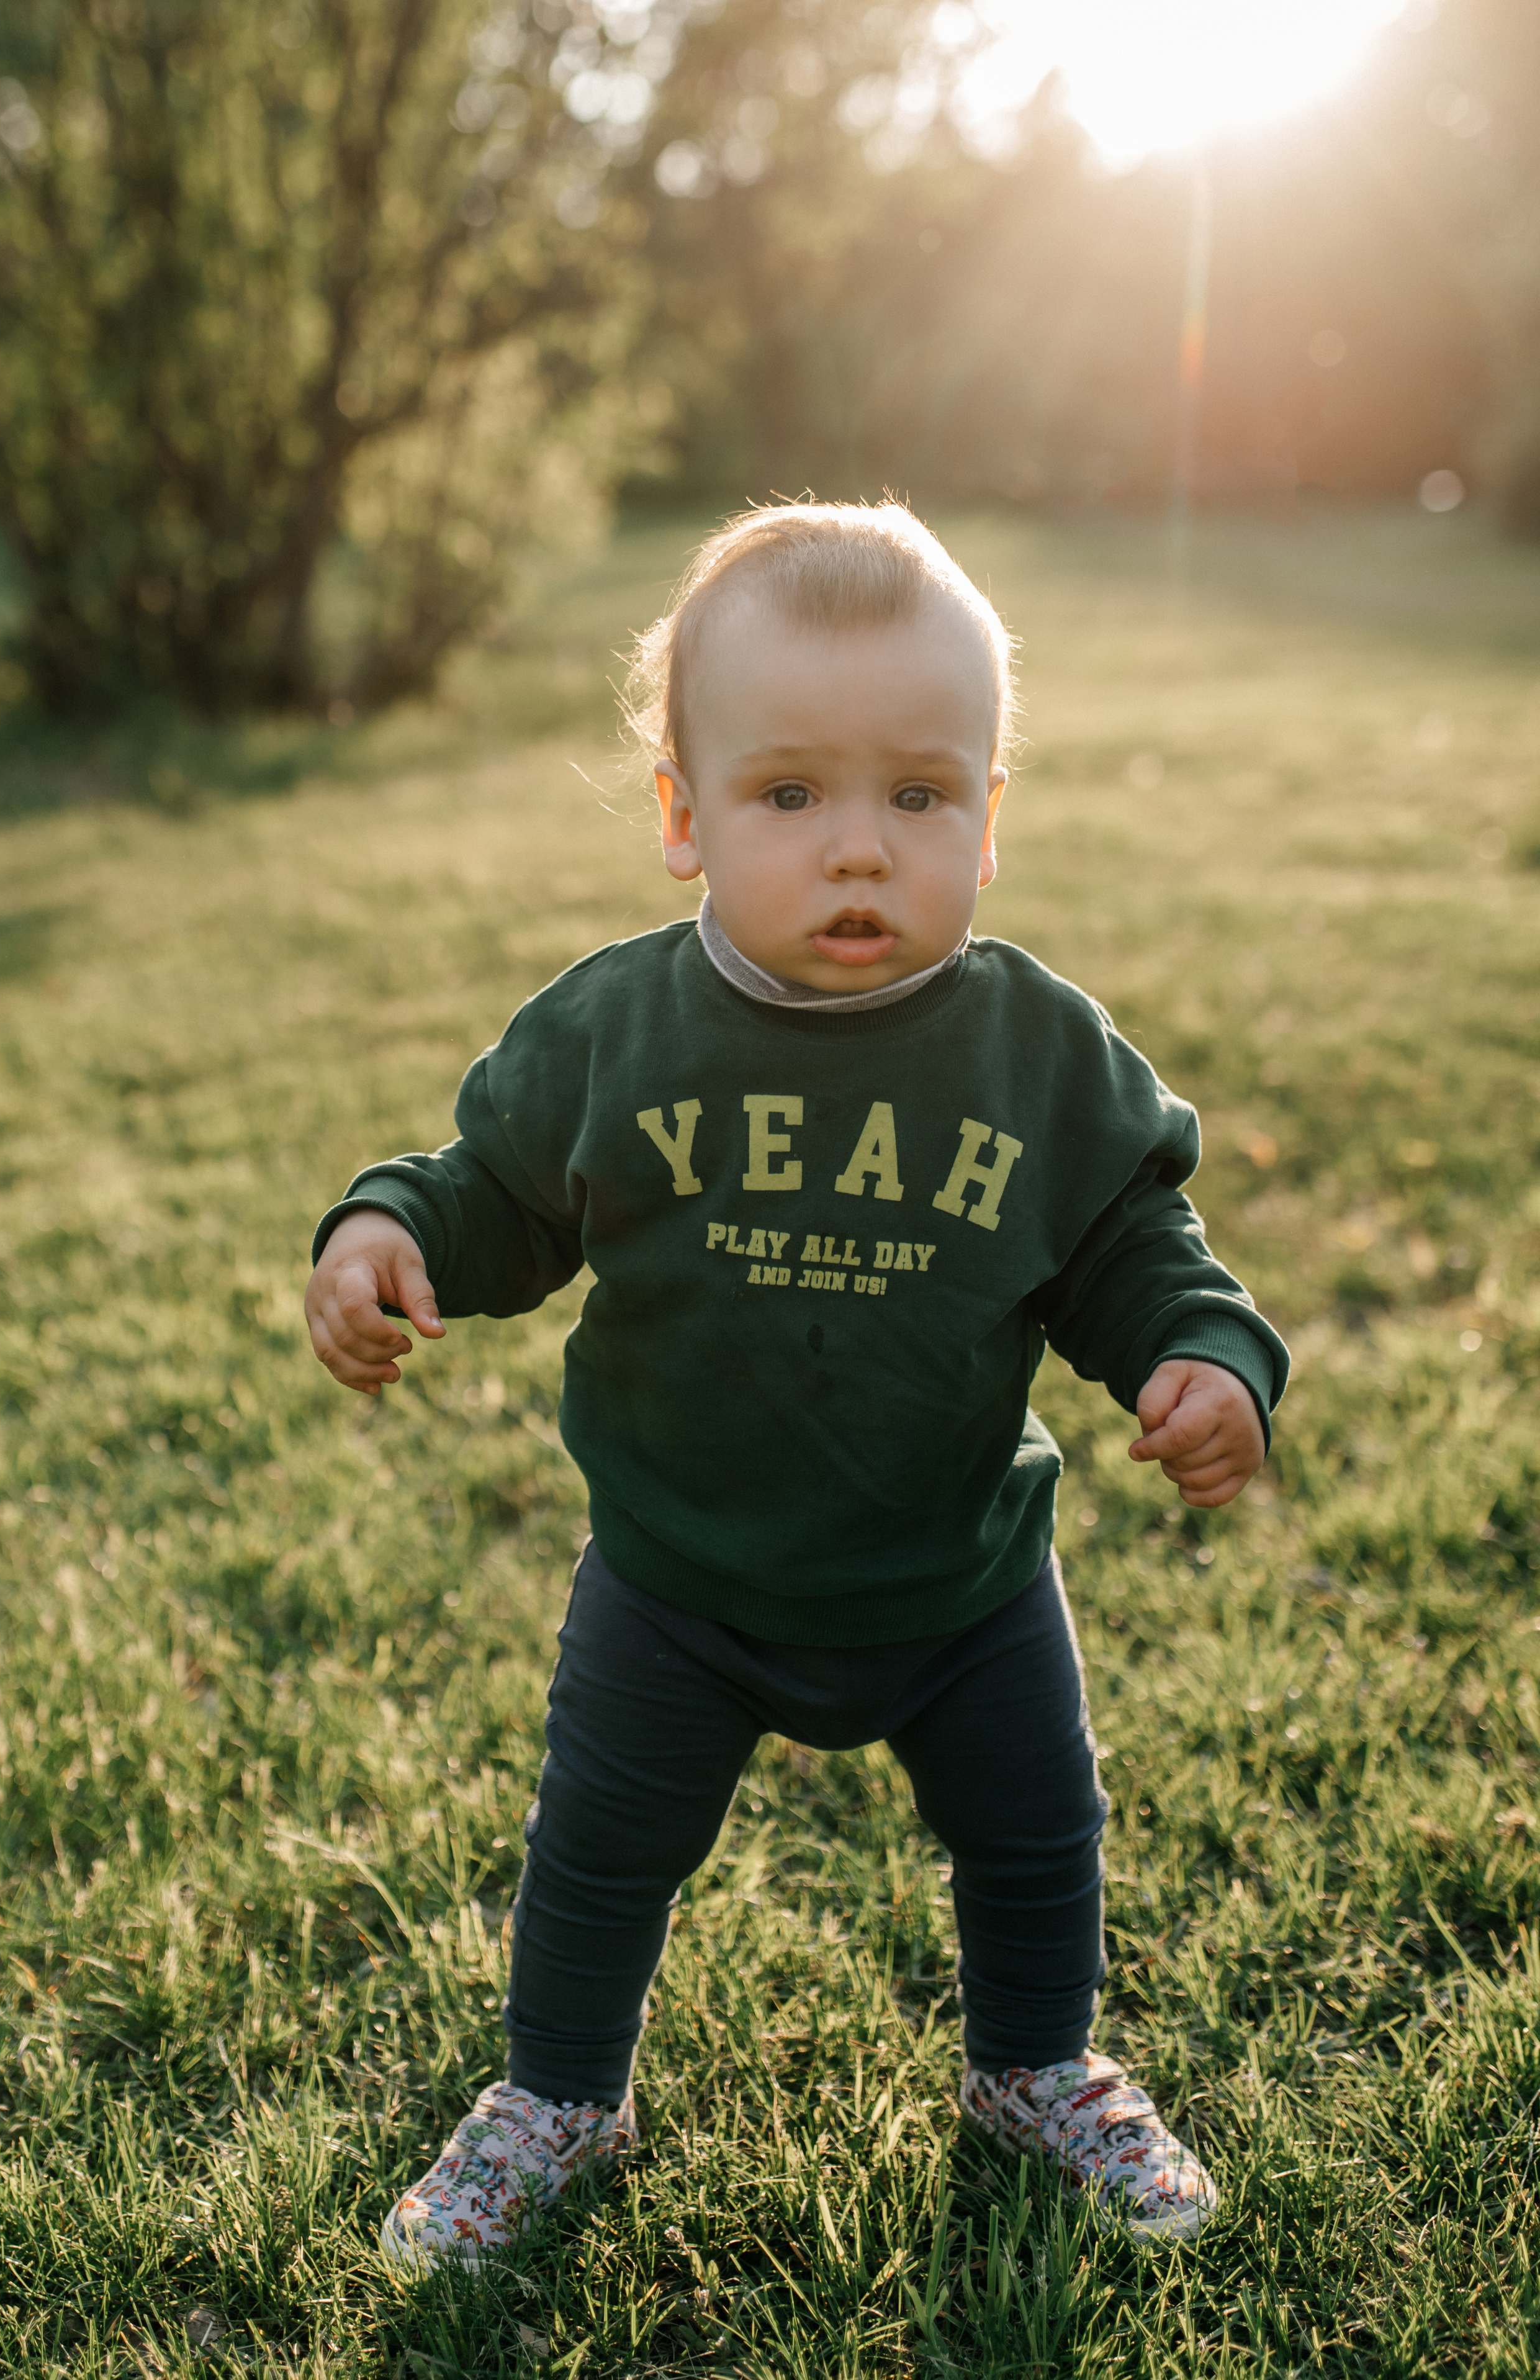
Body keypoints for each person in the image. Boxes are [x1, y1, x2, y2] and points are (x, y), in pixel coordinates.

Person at [304, 501, 1287, 2266]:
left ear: (989, 821)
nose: (859, 851)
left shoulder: (1037, 1049)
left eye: (919, 795)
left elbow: (1136, 1247)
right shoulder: (616, 1033)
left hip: (963, 1572)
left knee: (1039, 1826)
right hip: (678, 1575)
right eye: (790, 795)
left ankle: (1035, 2064)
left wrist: (1202, 1355)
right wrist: (393, 1235)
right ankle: (558, 2089)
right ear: (684, 816)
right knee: (601, 1848)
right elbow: (495, 1193)